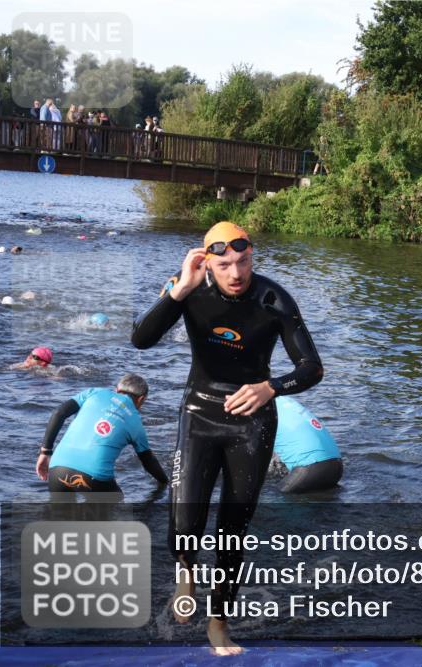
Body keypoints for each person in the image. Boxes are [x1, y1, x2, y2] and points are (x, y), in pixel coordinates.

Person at [131, 221, 323, 655]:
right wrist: (179, 291)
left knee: (233, 529)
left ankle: (218, 623)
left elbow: (312, 367)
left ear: (252, 256)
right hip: (199, 411)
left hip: (251, 420)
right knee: (184, 519)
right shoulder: (189, 288)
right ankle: (186, 571)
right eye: (224, 264)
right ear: (206, 263)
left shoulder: (273, 299)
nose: (236, 273)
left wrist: (270, 387)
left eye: (243, 261)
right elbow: (140, 339)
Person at [35, 373, 168, 500]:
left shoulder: (94, 392)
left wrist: (45, 452)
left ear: (116, 390)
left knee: (61, 518)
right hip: (94, 477)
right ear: (141, 399)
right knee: (116, 502)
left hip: (57, 467)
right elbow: (148, 461)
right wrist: (166, 483)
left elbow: (59, 413)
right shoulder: (136, 422)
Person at [273, 396, 343, 493]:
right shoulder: (283, 399)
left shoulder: (256, 407)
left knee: (269, 497)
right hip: (337, 467)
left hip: (309, 470)